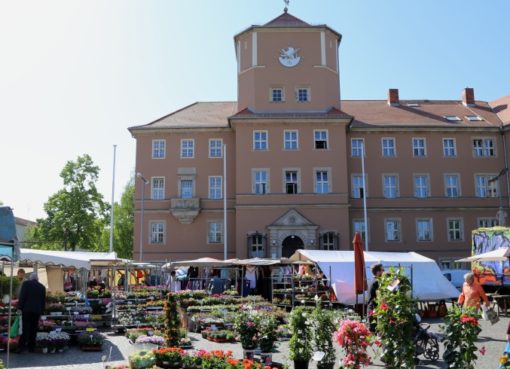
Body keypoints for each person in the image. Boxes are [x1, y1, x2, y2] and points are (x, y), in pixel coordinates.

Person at [17, 273, 46, 352]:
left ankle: (21, 347)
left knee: (25, 328)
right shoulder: (42, 287)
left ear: (30, 278)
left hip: (27, 310)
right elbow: (43, 301)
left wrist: (19, 307)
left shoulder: (26, 284)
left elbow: (22, 296)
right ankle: (31, 347)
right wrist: (42, 311)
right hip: (37, 311)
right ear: (37, 279)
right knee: (33, 329)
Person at [367, 263, 384, 332]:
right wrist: (397, 281)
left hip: (372, 308)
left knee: (374, 331)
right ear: (378, 272)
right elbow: (388, 290)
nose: (384, 272)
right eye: (382, 270)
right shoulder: (377, 282)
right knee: (373, 331)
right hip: (374, 309)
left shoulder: (373, 280)